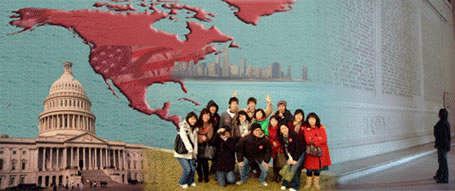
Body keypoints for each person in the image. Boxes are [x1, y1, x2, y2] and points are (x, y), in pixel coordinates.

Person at [303, 113, 331, 190]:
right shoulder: (306, 129)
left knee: (318, 168)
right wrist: (318, 139)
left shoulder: (321, 128)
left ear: (316, 120)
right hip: (311, 152)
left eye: (313, 119)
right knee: (309, 168)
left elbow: (324, 139)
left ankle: (316, 183)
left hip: (320, 152)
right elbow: (308, 140)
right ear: (307, 120)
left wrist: (314, 141)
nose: (311, 121)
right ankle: (308, 183)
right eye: (310, 119)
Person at [174, 112, 199, 189]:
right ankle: (182, 182)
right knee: (187, 169)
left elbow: (195, 141)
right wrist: (190, 150)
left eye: (194, 119)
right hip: (181, 152)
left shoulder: (195, 129)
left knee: (193, 168)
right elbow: (185, 140)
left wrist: (195, 152)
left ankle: (191, 181)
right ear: (188, 119)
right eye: (191, 119)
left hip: (191, 153)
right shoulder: (183, 128)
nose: (193, 120)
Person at [278, 123, 304, 191]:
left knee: (294, 169)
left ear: (288, 128)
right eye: (282, 129)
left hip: (299, 154)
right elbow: (284, 149)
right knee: (288, 168)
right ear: (280, 131)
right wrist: (287, 159)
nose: (284, 130)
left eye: (285, 128)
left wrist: (295, 159)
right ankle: (285, 184)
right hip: (290, 155)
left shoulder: (293, 135)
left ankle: (295, 186)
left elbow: (298, 148)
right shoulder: (281, 138)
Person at [196, 109, 214, 183]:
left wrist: (205, 138)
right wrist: (201, 137)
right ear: (201, 115)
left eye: (208, 115)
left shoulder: (210, 125)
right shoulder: (197, 123)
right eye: (205, 115)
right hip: (196, 145)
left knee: (205, 162)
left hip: (205, 145)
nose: (207, 117)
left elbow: (210, 136)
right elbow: (194, 134)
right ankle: (200, 176)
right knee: (198, 163)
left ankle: (206, 176)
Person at [433, 108, 451, 183]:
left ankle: (445, 178)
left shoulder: (442, 123)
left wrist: (438, 144)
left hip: (442, 145)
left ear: (440, 114)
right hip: (445, 144)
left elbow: (440, 135)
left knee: (443, 161)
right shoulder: (446, 122)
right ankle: (439, 174)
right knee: (441, 161)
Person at [267, 115, 283, 182]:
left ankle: (279, 175)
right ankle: (275, 175)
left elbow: (282, 138)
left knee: (279, 162)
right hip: (272, 147)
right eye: (272, 121)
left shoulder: (280, 128)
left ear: (278, 121)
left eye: (275, 121)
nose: (273, 122)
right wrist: (272, 142)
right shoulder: (269, 128)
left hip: (279, 148)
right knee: (274, 161)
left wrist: (278, 143)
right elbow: (268, 137)